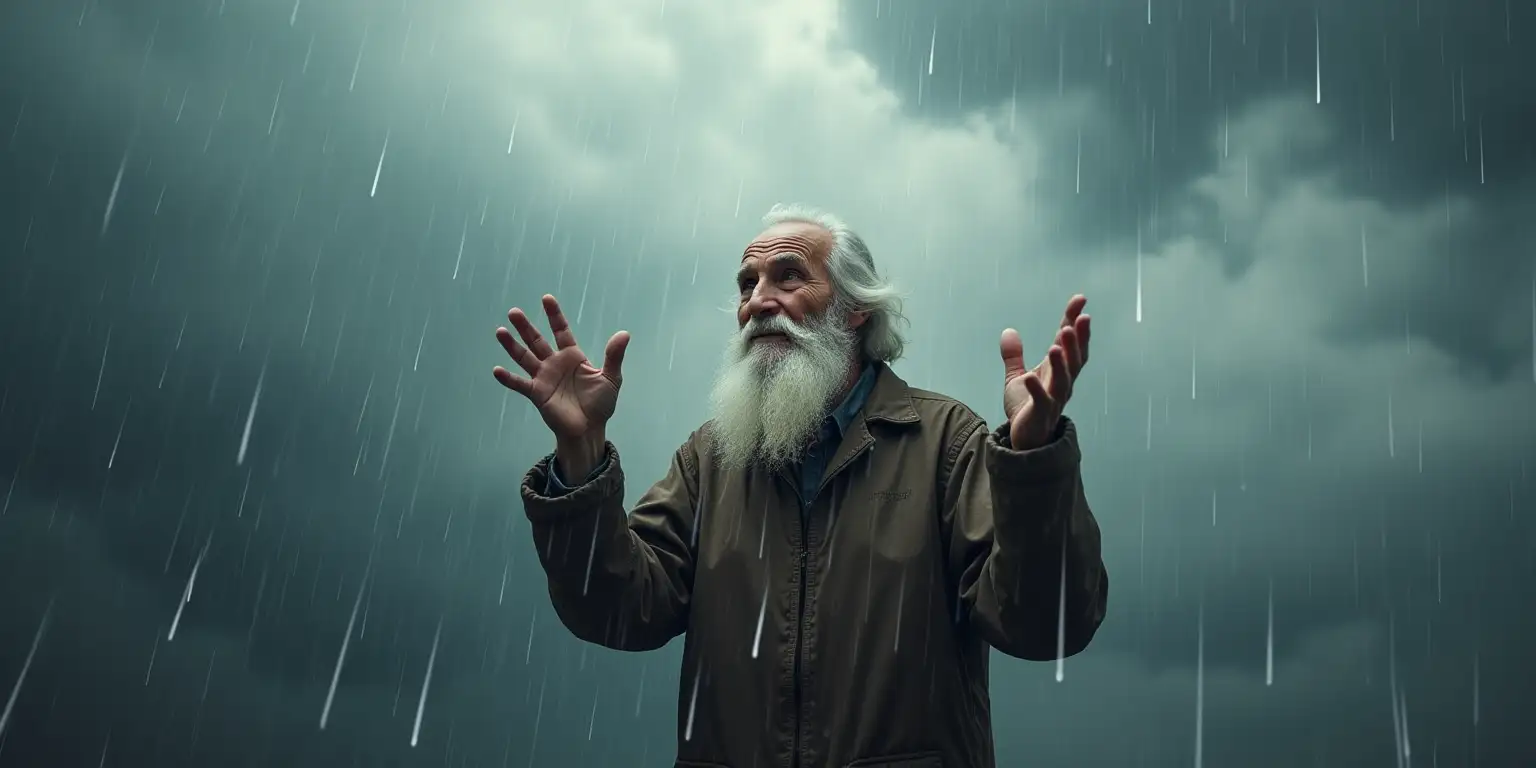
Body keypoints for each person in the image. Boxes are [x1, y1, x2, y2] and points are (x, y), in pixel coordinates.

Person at [492, 203, 1108, 768]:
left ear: (856, 306)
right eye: (747, 284)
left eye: (788, 277)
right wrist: (580, 450)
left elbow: (1044, 623)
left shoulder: (942, 442)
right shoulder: (712, 457)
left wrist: (1032, 461)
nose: (758, 301)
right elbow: (617, 610)